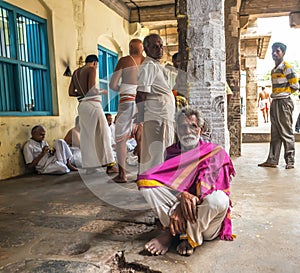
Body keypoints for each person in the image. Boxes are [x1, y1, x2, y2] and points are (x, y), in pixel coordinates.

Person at [137, 107, 235, 256]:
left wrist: (182, 208)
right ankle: (183, 232)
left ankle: (175, 234)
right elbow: (164, 183)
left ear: (201, 130)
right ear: (177, 130)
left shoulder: (216, 152)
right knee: (147, 185)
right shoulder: (171, 153)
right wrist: (181, 196)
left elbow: (208, 189)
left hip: (207, 223)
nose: (188, 131)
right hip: (183, 210)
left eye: (193, 126)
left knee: (219, 200)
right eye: (183, 126)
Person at [68, 54, 117, 174]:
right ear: (95, 63)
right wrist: (103, 91)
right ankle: (110, 165)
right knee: (103, 132)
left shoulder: (75, 72)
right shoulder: (91, 69)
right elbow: (91, 89)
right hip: (93, 105)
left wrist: (81, 94)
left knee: (87, 136)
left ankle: (90, 167)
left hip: (82, 106)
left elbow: (70, 92)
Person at [136, 34, 176, 173]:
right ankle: (153, 184)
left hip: (163, 115)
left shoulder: (156, 65)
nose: (159, 49)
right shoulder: (148, 66)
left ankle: (158, 183)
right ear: (146, 50)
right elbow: (141, 94)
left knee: (163, 150)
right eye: (155, 46)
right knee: (157, 152)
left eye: (161, 46)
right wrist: (140, 119)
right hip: (156, 116)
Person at [258, 42, 299, 169]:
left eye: (278, 51)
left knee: (286, 132)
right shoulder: (273, 70)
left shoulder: (287, 67)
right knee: (275, 133)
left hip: (283, 102)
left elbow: (295, 86)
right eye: (273, 51)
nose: (274, 53)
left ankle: (290, 161)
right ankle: (272, 160)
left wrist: (284, 94)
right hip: (274, 102)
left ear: (283, 53)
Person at [109, 39, 145, 183]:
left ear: (130, 48)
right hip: (143, 101)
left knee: (121, 140)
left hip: (127, 100)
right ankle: (141, 175)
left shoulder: (125, 60)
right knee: (141, 138)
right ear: (142, 49)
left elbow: (112, 84)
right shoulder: (148, 62)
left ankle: (122, 175)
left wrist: (122, 90)